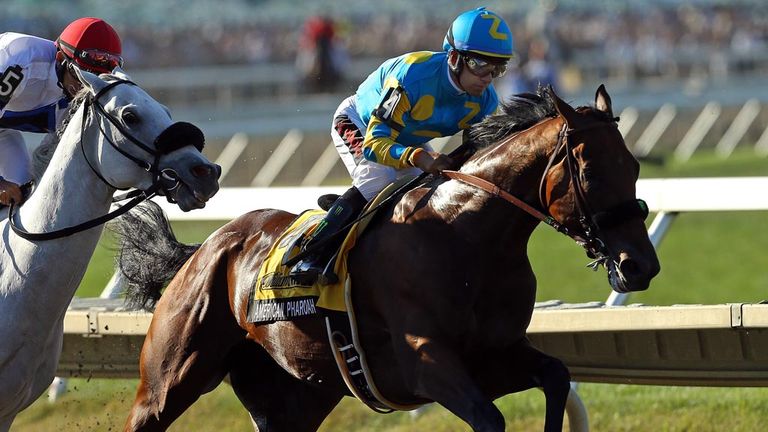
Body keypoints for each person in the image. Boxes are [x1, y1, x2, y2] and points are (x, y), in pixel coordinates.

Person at [289, 7, 514, 284]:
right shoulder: (413, 76)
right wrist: (420, 157)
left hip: (407, 139)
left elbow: (475, 155)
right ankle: (311, 253)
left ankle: (352, 214)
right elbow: (374, 144)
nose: (488, 78)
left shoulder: (485, 101)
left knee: (430, 194)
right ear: (454, 58)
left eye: (497, 68)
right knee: (378, 179)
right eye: (480, 65)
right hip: (361, 123)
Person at [0, 17, 123, 206]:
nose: (85, 87)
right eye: (80, 75)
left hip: (3, 129)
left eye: (94, 78)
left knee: (22, 193)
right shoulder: (20, 60)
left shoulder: (87, 91)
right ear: (60, 59)